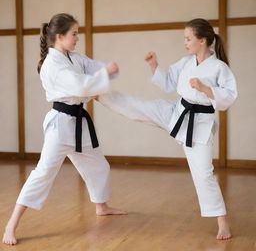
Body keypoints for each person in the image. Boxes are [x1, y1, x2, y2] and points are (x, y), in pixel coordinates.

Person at [97, 18, 237, 240]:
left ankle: (222, 222)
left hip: (199, 124)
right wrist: (153, 65)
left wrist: (205, 89)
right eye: (185, 38)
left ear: (202, 40)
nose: (185, 42)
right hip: (176, 111)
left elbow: (228, 97)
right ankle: (102, 96)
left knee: (204, 174)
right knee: (141, 108)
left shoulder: (219, 68)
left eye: (188, 38)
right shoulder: (186, 62)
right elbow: (169, 82)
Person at [2, 13, 127, 246]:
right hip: (60, 126)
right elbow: (80, 86)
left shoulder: (74, 57)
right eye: (74, 34)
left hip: (79, 123)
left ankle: (101, 206)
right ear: (60, 36)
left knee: (99, 165)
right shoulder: (52, 65)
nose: (77, 38)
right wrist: (104, 74)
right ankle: (11, 224)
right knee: (43, 173)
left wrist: (107, 70)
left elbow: (93, 69)